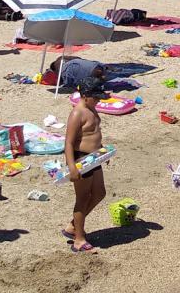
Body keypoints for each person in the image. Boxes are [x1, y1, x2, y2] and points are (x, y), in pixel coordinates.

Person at [63, 78, 107, 253]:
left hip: (95, 158)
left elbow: (94, 133)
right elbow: (68, 143)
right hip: (81, 159)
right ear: (85, 95)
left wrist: (103, 151)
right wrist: (72, 166)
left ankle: (73, 227)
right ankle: (79, 240)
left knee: (99, 193)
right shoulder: (77, 113)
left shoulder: (91, 108)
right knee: (82, 198)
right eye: (96, 97)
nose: (98, 101)